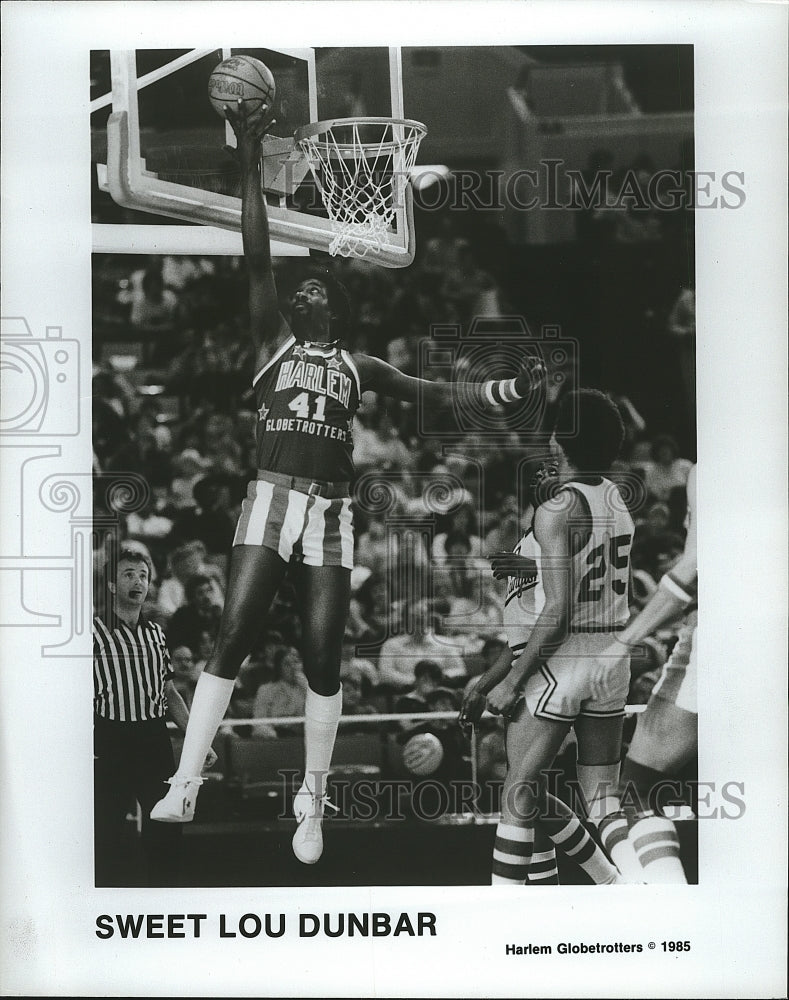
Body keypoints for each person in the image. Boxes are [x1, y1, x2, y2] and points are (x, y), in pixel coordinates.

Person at [151, 100, 546, 866]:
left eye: (317, 290)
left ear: (335, 307)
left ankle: (312, 800)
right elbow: (258, 253)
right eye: (299, 290)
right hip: (269, 498)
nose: (304, 292)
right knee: (231, 638)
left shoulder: (358, 367)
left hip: (330, 513)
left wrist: (496, 393)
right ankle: (187, 778)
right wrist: (247, 150)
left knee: (324, 658)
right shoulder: (270, 341)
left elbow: (430, 395)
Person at [459, 389, 634, 886]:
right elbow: (536, 607)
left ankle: (507, 909)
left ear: (561, 442)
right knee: (601, 800)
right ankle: (628, 883)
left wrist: (511, 681)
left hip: (561, 656)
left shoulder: (556, 513)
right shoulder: (617, 502)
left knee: (518, 790)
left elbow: (553, 614)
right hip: (610, 655)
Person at [595, 464, 698, 884]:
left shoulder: (707, 471)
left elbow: (693, 567)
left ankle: (670, 911)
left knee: (634, 791)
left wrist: (623, 641)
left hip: (728, 637)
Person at [93, 542, 216, 886]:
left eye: (143, 576)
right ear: (113, 585)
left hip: (153, 738)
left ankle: (165, 897)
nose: (138, 581)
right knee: (108, 828)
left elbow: (169, 692)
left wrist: (198, 739)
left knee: (165, 824)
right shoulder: (92, 634)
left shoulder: (156, 635)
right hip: (110, 738)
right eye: (128, 574)